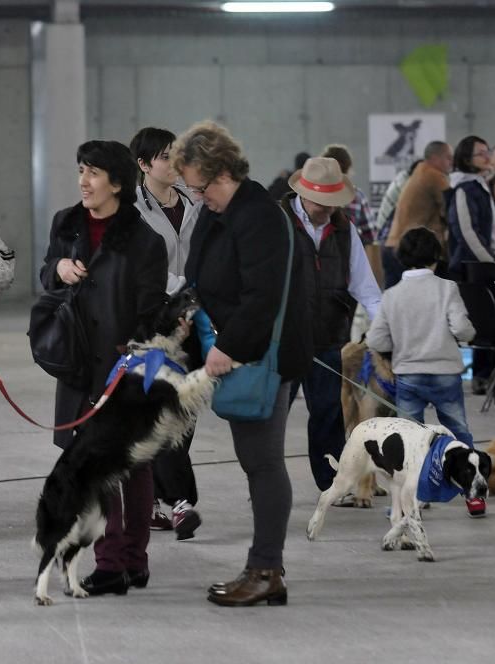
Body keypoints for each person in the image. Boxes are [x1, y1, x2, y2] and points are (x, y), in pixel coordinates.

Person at [176, 120, 308, 607]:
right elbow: (203, 275)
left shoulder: (260, 216)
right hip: (237, 347)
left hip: (262, 356)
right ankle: (264, 567)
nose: (198, 196)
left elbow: (262, 296)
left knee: (263, 462)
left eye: (201, 186)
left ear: (224, 171)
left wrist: (227, 346)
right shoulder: (221, 213)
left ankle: (266, 569)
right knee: (256, 462)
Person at [38, 139, 167, 595]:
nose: (83, 181)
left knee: (132, 463)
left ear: (117, 182)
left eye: (93, 173)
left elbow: (153, 313)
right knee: (95, 464)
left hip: (124, 369)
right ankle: (114, 562)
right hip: (78, 364)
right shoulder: (67, 225)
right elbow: (44, 277)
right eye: (80, 171)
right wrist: (58, 268)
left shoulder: (144, 240)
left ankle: (130, 559)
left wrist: (131, 361)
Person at [365, 226, 484, 517]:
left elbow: (376, 340)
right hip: (445, 375)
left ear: (402, 258)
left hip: (409, 377)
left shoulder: (392, 295)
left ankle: (417, 496)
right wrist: (469, 333)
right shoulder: (447, 288)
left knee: (410, 439)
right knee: (458, 432)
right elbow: (462, 329)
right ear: (436, 257)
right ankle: (473, 495)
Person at [281, 157, 381, 495]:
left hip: (328, 337)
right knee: (272, 417)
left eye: (332, 203)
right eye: (321, 203)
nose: (327, 209)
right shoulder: (277, 223)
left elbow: (366, 288)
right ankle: (267, 481)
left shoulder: (345, 229)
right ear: (303, 194)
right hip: (284, 339)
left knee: (327, 414)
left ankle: (331, 484)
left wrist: (387, 331)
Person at [130, 126, 203, 539]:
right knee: (162, 408)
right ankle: (178, 501)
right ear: (143, 165)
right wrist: (178, 286)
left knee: (188, 410)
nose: (173, 164)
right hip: (154, 322)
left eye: (175, 155)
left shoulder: (194, 200)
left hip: (194, 321)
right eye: (163, 157)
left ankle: (158, 500)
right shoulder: (134, 209)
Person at [447, 135, 495, 396]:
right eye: (481, 153)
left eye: (487, 151)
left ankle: (493, 376)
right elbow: (466, 231)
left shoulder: (479, 184)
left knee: (493, 326)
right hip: (473, 265)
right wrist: (489, 259)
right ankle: (482, 377)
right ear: (466, 159)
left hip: (486, 261)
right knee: (483, 324)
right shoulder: (462, 188)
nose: (487, 156)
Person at [383, 141, 453, 288]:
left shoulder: (419, 172)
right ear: (435, 158)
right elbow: (452, 211)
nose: (451, 163)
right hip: (410, 252)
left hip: (392, 246)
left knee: (395, 303)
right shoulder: (434, 176)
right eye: (448, 158)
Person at [321, 144, 376, 246]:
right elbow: (370, 235)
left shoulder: (314, 195)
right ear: (348, 168)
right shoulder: (357, 196)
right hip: (349, 254)